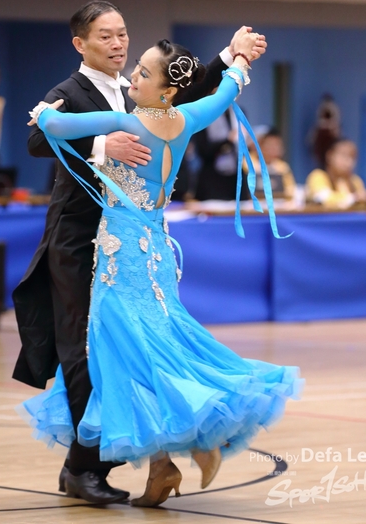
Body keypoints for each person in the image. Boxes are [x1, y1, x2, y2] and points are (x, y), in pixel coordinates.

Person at [18, 31, 302, 508]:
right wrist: (238, 59)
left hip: (121, 258)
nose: (133, 75)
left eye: (144, 73)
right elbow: (228, 89)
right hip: (157, 253)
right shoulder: (189, 117)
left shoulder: (124, 121)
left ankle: (184, 443)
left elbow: (54, 125)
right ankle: (165, 460)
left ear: (167, 90)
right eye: (138, 67)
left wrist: (44, 112)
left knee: (122, 352)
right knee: (153, 344)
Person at [193, 106, 249, 201]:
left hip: (236, 177)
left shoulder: (239, 112)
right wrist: (228, 141)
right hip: (212, 180)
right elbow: (203, 150)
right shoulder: (205, 115)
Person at [306, 138, 366, 209]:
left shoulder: (356, 181)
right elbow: (323, 198)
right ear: (330, 155)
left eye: (353, 157)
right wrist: (354, 198)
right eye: (344, 155)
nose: (349, 162)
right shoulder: (318, 176)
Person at [252, 127, 296, 199]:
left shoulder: (283, 168)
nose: (274, 148)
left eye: (277, 145)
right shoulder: (246, 164)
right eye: (270, 144)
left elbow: (290, 191)